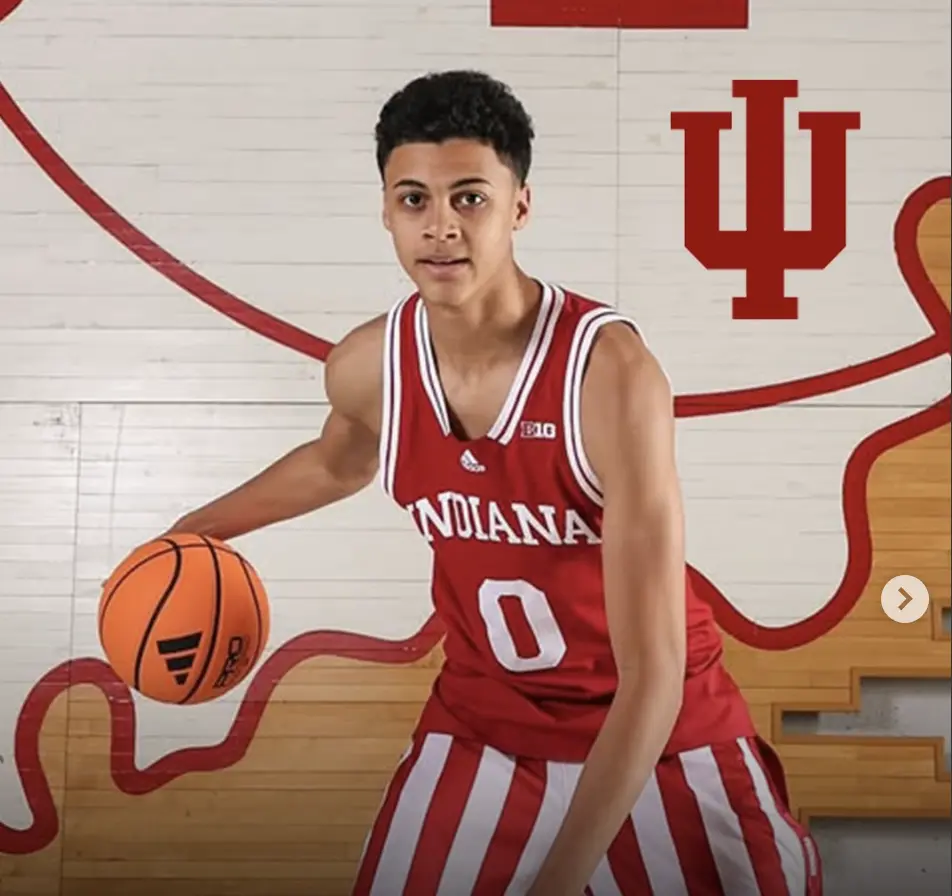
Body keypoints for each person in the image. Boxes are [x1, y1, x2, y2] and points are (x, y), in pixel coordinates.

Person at [167, 70, 821, 895]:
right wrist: (187, 533)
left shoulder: (607, 374)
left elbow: (653, 675)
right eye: (413, 199)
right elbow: (339, 460)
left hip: (661, 729)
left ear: (520, 207)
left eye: (469, 198)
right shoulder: (370, 367)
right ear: (385, 211)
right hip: (487, 722)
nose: (441, 226)